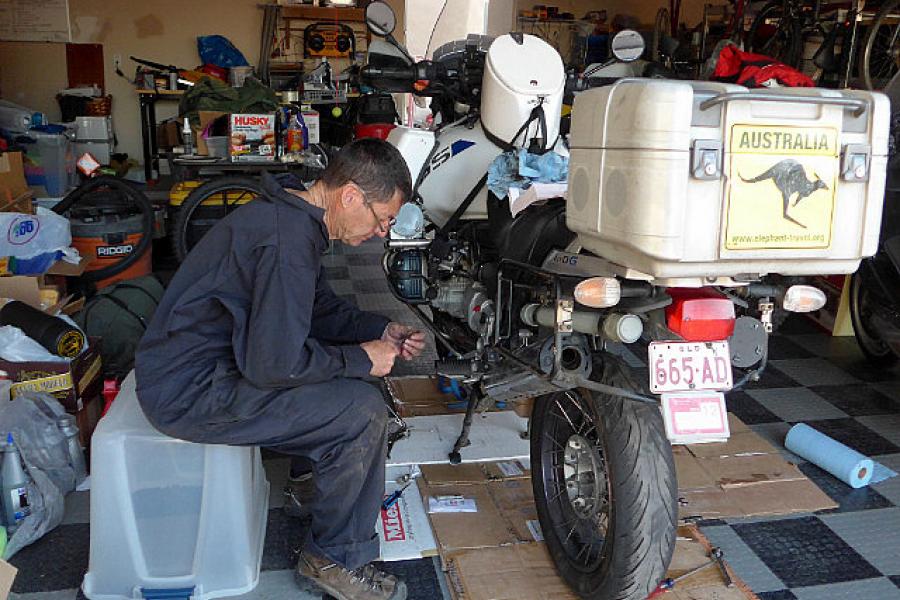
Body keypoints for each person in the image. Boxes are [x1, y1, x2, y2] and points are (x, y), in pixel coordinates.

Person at [135, 138, 426, 600]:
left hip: (202, 366)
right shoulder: (286, 240)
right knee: (361, 410)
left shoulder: (292, 217)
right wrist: (360, 359)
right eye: (382, 219)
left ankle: (314, 485)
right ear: (350, 196)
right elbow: (273, 365)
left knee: (339, 370)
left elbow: (317, 309)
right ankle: (332, 558)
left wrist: (379, 328)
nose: (380, 233)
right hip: (189, 390)